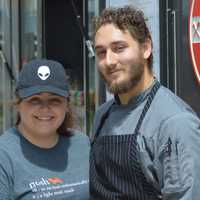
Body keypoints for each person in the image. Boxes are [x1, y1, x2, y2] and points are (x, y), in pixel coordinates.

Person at [89, 5, 200, 200]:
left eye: (119, 48)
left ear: (146, 48)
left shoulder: (175, 122)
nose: (109, 61)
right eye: (101, 52)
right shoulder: (103, 115)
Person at [0, 59, 90, 200]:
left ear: (66, 105)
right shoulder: (4, 155)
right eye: (34, 99)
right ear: (18, 103)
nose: (45, 108)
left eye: (55, 100)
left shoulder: (82, 144)